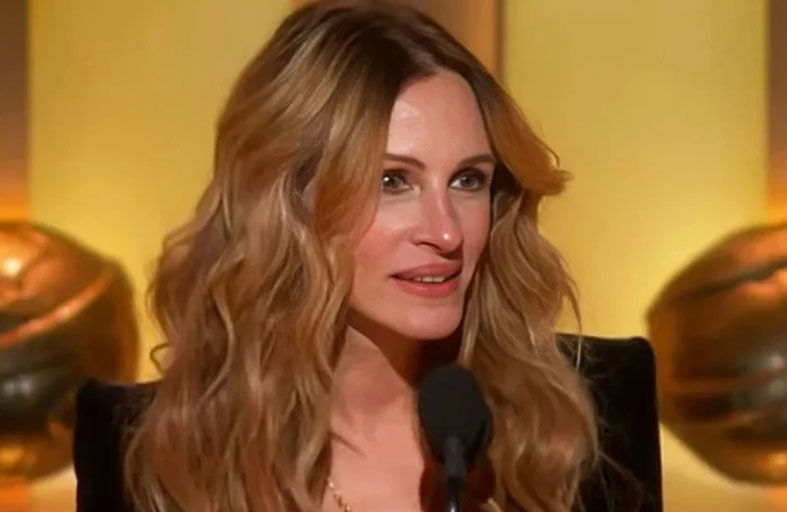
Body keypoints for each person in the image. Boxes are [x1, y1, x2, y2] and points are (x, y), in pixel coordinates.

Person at [73, 1, 662, 512]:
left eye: (468, 180)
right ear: (288, 202)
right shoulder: (143, 451)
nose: (447, 233)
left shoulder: (590, 410)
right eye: (392, 181)